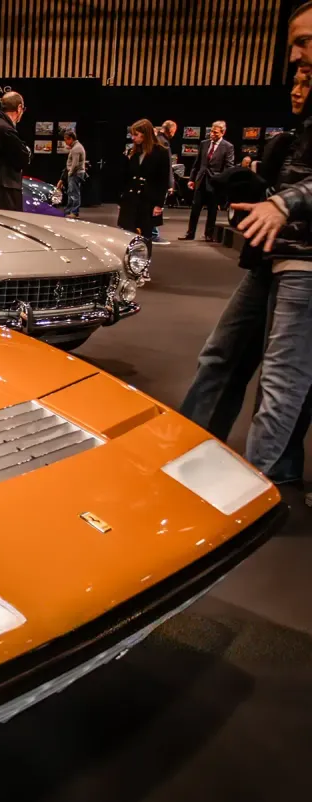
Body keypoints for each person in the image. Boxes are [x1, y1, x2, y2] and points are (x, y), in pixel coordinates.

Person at [179, 44, 312, 488]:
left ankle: (260, 486)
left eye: (306, 77)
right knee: (220, 356)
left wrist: (282, 203)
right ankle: (187, 453)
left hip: (305, 265)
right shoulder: (296, 133)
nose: (295, 85)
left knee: (282, 380)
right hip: (271, 256)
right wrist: (262, 195)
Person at [181, 120, 236, 240]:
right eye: (211, 131)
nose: (212, 134)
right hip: (201, 180)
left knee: (212, 210)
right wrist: (192, 179)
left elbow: (229, 167)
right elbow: (197, 163)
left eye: (215, 132)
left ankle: (209, 235)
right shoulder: (204, 143)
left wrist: (222, 183)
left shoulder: (228, 147)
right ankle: (190, 233)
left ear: (223, 133)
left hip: (215, 183)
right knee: (195, 209)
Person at [0, 91, 32, 211]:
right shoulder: (5, 129)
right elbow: (23, 158)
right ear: (19, 108)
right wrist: (27, 152)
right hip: (4, 194)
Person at [117, 119, 171, 238]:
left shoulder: (161, 152)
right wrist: (121, 200)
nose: (133, 138)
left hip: (148, 200)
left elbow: (162, 181)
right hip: (130, 199)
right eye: (132, 134)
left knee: (145, 236)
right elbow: (125, 177)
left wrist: (159, 204)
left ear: (146, 134)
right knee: (126, 235)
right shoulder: (132, 152)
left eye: (136, 134)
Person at [56, 129, 86, 218]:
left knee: (74, 193)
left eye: (66, 140)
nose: (65, 142)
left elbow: (75, 164)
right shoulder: (76, 147)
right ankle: (69, 211)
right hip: (76, 173)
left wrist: (70, 173)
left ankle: (74, 212)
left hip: (75, 174)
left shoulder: (76, 149)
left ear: (71, 139)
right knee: (71, 192)